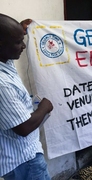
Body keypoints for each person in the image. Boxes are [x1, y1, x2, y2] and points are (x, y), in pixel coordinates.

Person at [0, 14, 53, 180]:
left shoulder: (5, 60)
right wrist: (45, 107)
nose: (23, 46)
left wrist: (19, 29)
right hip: (23, 162)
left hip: (22, 159)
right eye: (17, 42)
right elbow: (23, 128)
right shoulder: (2, 84)